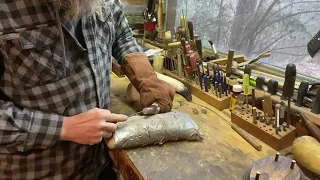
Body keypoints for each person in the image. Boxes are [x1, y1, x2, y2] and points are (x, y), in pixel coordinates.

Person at [0, 0, 175, 179]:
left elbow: (120, 33)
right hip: (44, 171)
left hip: (102, 160)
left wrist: (146, 78)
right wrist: (64, 128)